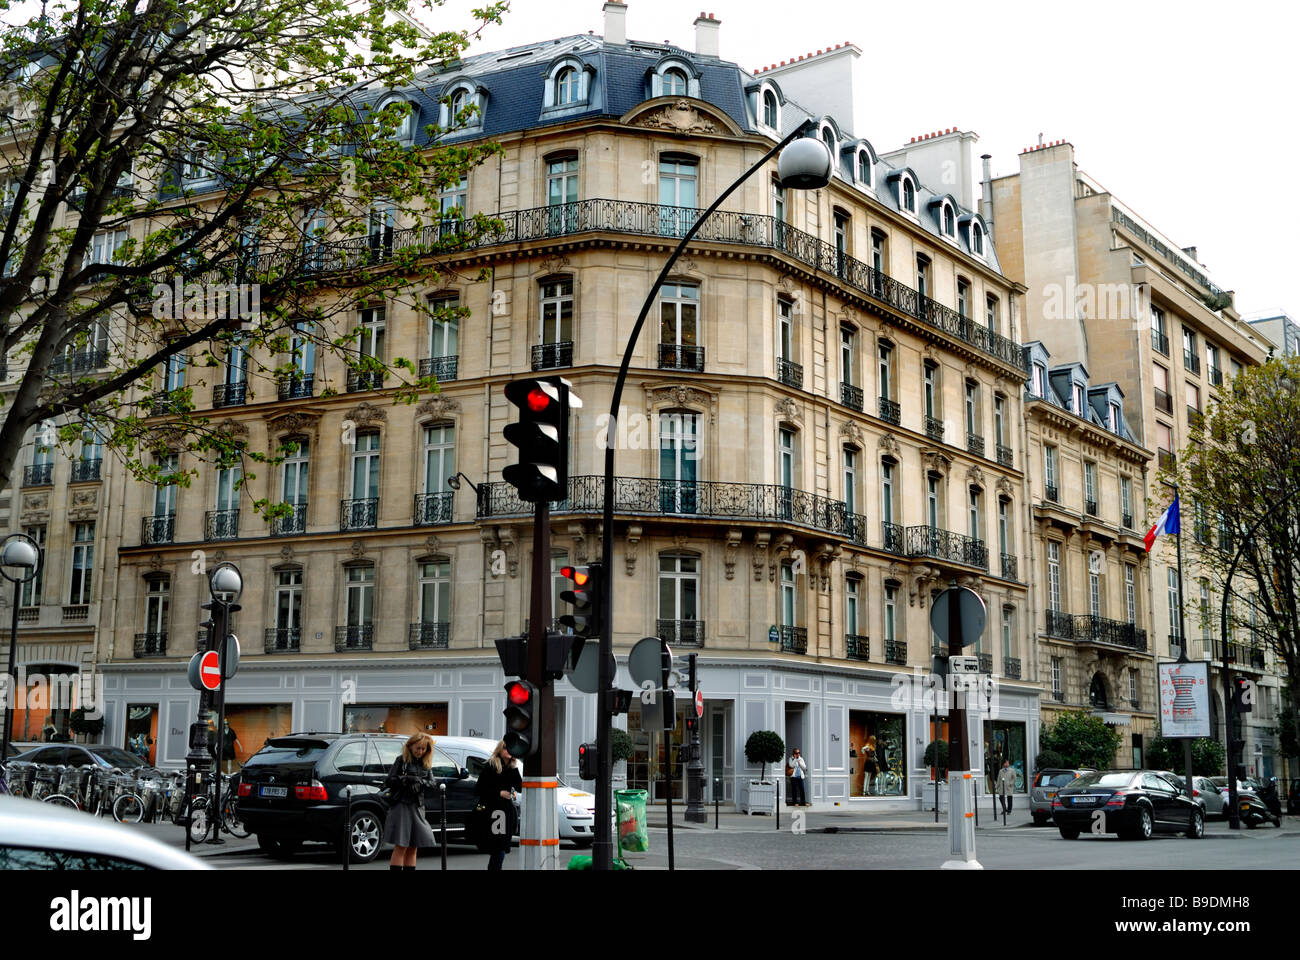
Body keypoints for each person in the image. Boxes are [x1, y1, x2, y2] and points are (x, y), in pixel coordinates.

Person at [383, 732, 436, 870]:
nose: (420, 751)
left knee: (414, 846)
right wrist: (405, 780)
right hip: (402, 805)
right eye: (418, 748)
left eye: (424, 749)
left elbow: (432, 783)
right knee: (401, 845)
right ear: (410, 746)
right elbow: (389, 781)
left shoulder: (426, 763)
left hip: (418, 806)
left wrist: (420, 782)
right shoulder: (401, 760)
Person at [475, 739, 522, 870]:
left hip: (506, 811)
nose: (509, 751)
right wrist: (499, 793)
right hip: (494, 812)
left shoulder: (510, 767)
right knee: (499, 847)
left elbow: (520, 787)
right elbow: (479, 789)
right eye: (506, 748)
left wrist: (515, 767)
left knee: (501, 847)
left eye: (511, 749)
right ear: (500, 750)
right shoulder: (492, 765)